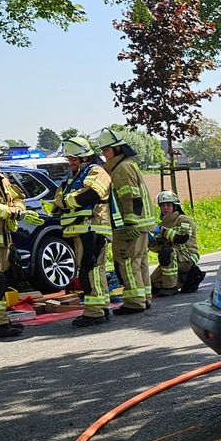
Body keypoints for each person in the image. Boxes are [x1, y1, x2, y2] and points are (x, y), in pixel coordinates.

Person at [0, 135, 43, 339]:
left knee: (0, 282)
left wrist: (18, 208)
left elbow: (18, 197)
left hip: (1, 241)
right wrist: (14, 213)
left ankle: (1, 321)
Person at [90, 127, 155, 315]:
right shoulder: (126, 165)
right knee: (139, 261)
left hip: (129, 226)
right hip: (140, 225)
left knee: (127, 262)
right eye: (102, 151)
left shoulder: (121, 169)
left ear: (117, 149)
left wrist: (129, 224)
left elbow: (130, 198)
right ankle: (144, 297)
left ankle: (134, 301)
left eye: (106, 150)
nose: (104, 154)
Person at [54, 136, 113, 328]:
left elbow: (92, 194)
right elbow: (58, 200)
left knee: (91, 269)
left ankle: (94, 312)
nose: (71, 162)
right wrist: (64, 201)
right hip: (81, 229)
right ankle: (101, 307)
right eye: (69, 159)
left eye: (74, 159)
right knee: (93, 269)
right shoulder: (72, 178)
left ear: (85, 157)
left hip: (93, 228)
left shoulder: (97, 171)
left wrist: (67, 200)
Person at [150, 191, 201, 296]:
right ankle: (182, 279)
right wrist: (149, 241)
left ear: (175, 206)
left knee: (167, 253)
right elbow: (159, 248)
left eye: (168, 205)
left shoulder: (184, 220)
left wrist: (162, 231)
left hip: (187, 257)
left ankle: (171, 287)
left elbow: (182, 238)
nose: (165, 208)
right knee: (152, 287)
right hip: (171, 259)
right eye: (163, 206)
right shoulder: (162, 223)